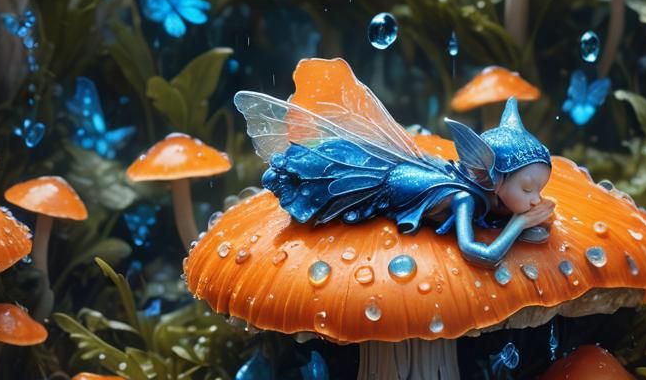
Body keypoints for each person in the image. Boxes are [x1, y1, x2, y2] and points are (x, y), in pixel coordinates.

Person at [235, 76, 555, 268]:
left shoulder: (483, 191)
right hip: (372, 183)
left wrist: (518, 215)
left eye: (538, 190)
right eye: (527, 189)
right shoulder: (463, 200)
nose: (535, 198)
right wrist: (520, 223)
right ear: (492, 175)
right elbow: (477, 254)